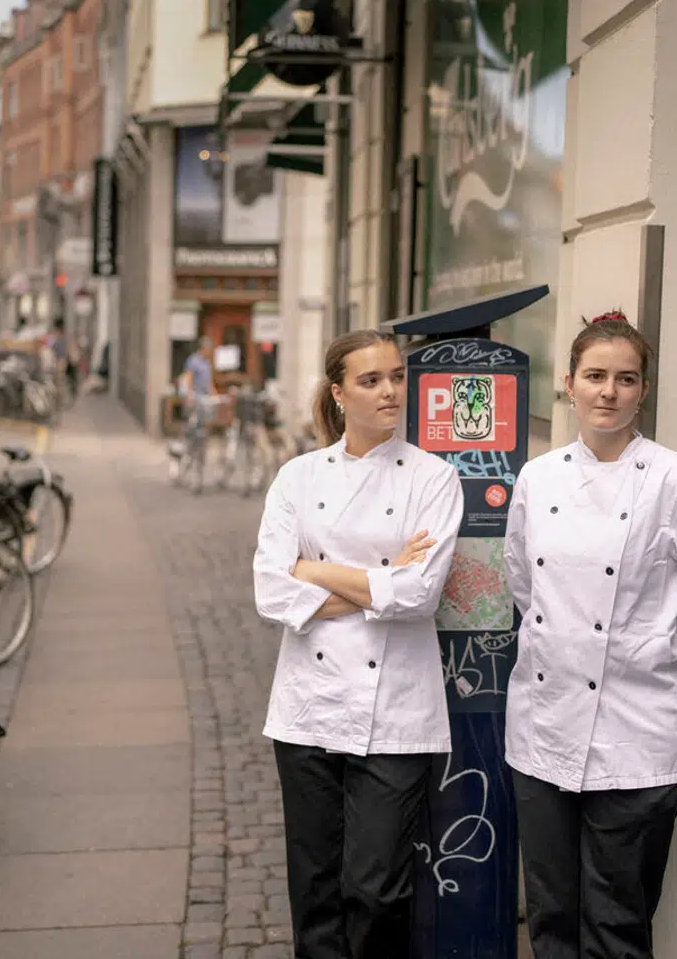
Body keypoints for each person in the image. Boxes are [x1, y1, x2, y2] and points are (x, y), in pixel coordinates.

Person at [503, 317, 677, 959]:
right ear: (568, 386)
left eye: (625, 379)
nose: (608, 392)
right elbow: (524, 584)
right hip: (544, 728)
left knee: (618, 923)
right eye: (595, 377)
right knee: (553, 916)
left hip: (638, 734)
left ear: (643, 391)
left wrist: (659, 663)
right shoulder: (539, 478)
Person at [252, 329, 464, 959]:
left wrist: (313, 571)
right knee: (314, 887)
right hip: (307, 709)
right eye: (371, 380)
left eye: (397, 376)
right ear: (339, 393)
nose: (390, 391)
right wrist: (379, 581)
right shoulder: (297, 476)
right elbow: (270, 589)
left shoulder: (435, 477)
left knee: (376, 890)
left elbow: (419, 593)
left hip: (396, 709)